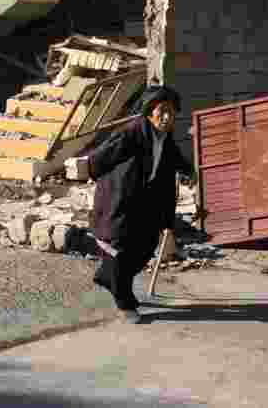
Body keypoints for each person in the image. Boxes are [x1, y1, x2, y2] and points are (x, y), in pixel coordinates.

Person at [64, 84, 194, 324]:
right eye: (162, 111)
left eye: (172, 112)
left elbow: (175, 159)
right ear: (149, 111)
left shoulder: (165, 139)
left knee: (146, 247)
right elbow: (97, 161)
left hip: (146, 204)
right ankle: (124, 302)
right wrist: (112, 183)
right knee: (121, 251)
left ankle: (108, 278)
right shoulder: (131, 133)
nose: (167, 117)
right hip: (121, 200)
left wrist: (190, 172)